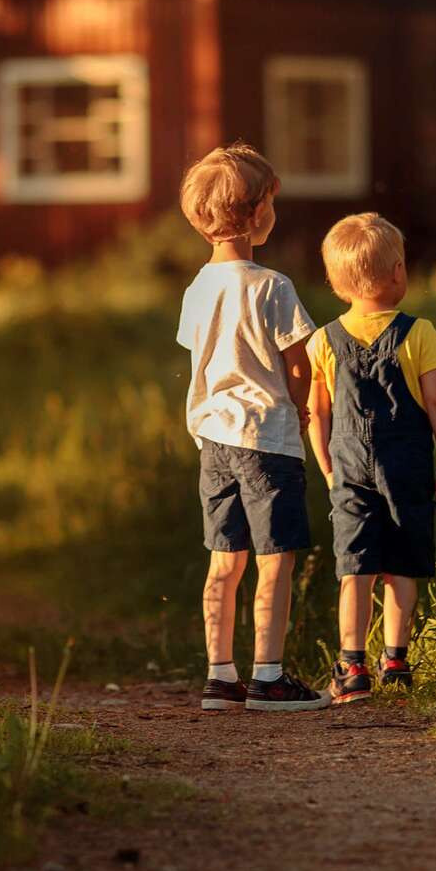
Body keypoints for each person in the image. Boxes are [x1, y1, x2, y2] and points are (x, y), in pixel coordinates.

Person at [176, 143, 331, 713]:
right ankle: (269, 675)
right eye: (270, 203)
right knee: (275, 559)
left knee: (225, 559)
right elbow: (299, 362)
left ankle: (220, 675)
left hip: (213, 440)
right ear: (258, 213)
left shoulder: (197, 289)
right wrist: (303, 408)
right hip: (267, 438)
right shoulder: (272, 287)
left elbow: (201, 355)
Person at [304, 213, 436, 703]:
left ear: (335, 282)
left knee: (355, 568)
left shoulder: (323, 340)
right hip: (407, 466)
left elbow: (317, 411)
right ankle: (396, 661)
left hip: (348, 467)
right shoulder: (419, 333)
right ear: (397, 272)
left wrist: (328, 467)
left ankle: (353, 667)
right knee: (402, 567)